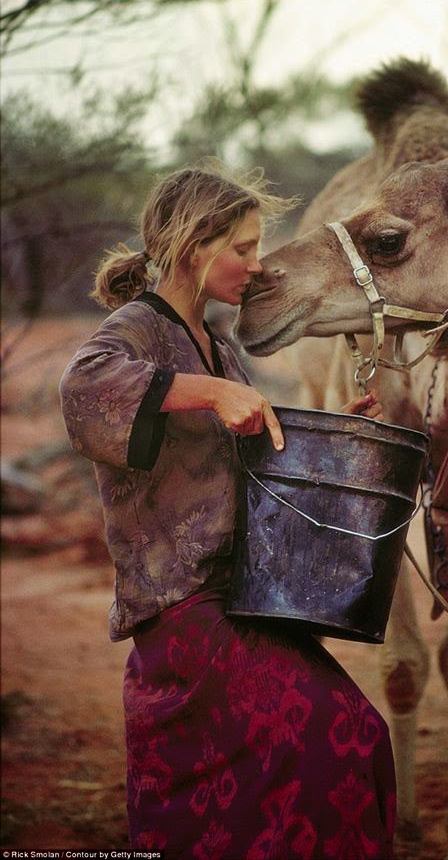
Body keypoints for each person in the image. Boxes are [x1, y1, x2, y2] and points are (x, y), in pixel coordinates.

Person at [59, 161, 396, 859]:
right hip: (184, 610)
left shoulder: (222, 346)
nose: (256, 263)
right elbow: (83, 388)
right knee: (333, 737)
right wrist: (209, 393)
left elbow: (251, 460)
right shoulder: (137, 330)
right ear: (192, 246)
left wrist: (334, 424)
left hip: (242, 598)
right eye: (242, 248)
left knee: (356, 739)